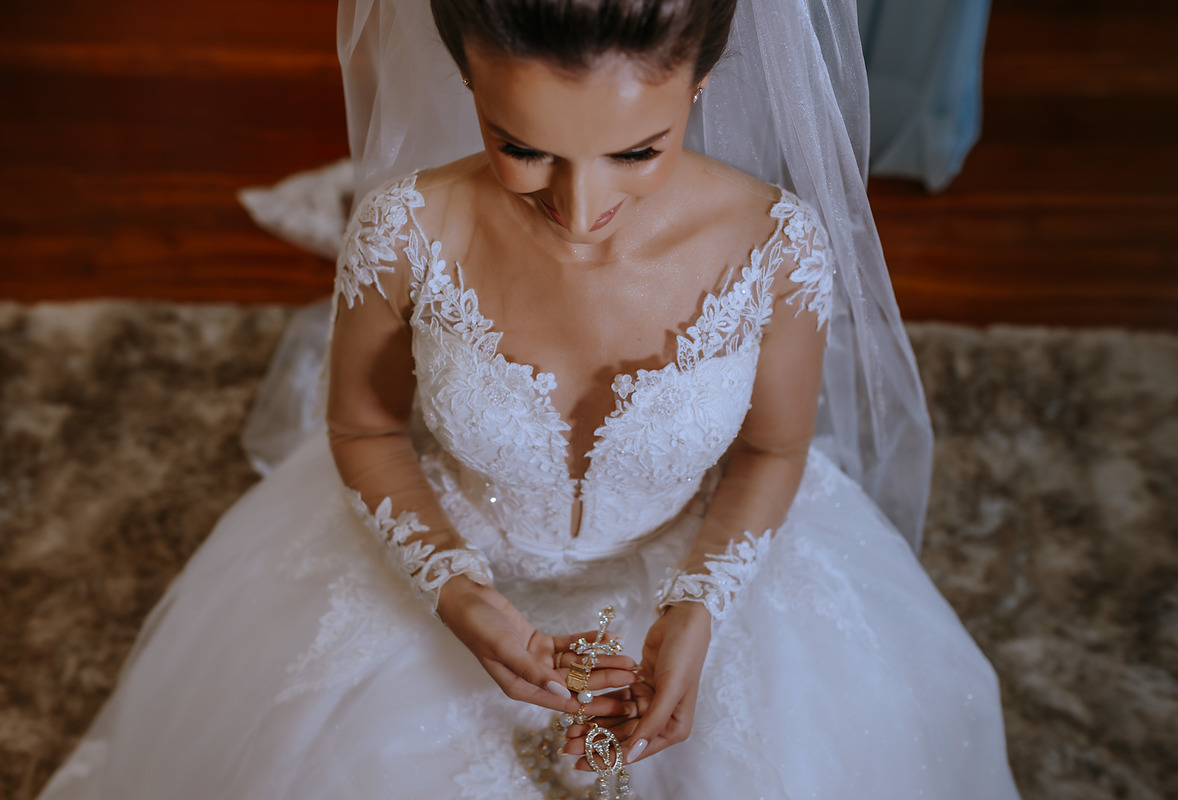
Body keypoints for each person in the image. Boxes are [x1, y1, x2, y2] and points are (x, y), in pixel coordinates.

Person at [38, 0, 1023, 796]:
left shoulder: (777, 246)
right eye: (523, 147)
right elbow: (364, 424)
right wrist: (456, 590)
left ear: (704, 83)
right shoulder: (404, 231)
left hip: (698, 563)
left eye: (639, 149)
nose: (580, 209)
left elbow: (771, 452)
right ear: (466, 77)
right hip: (459, 546)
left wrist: (700, 606)